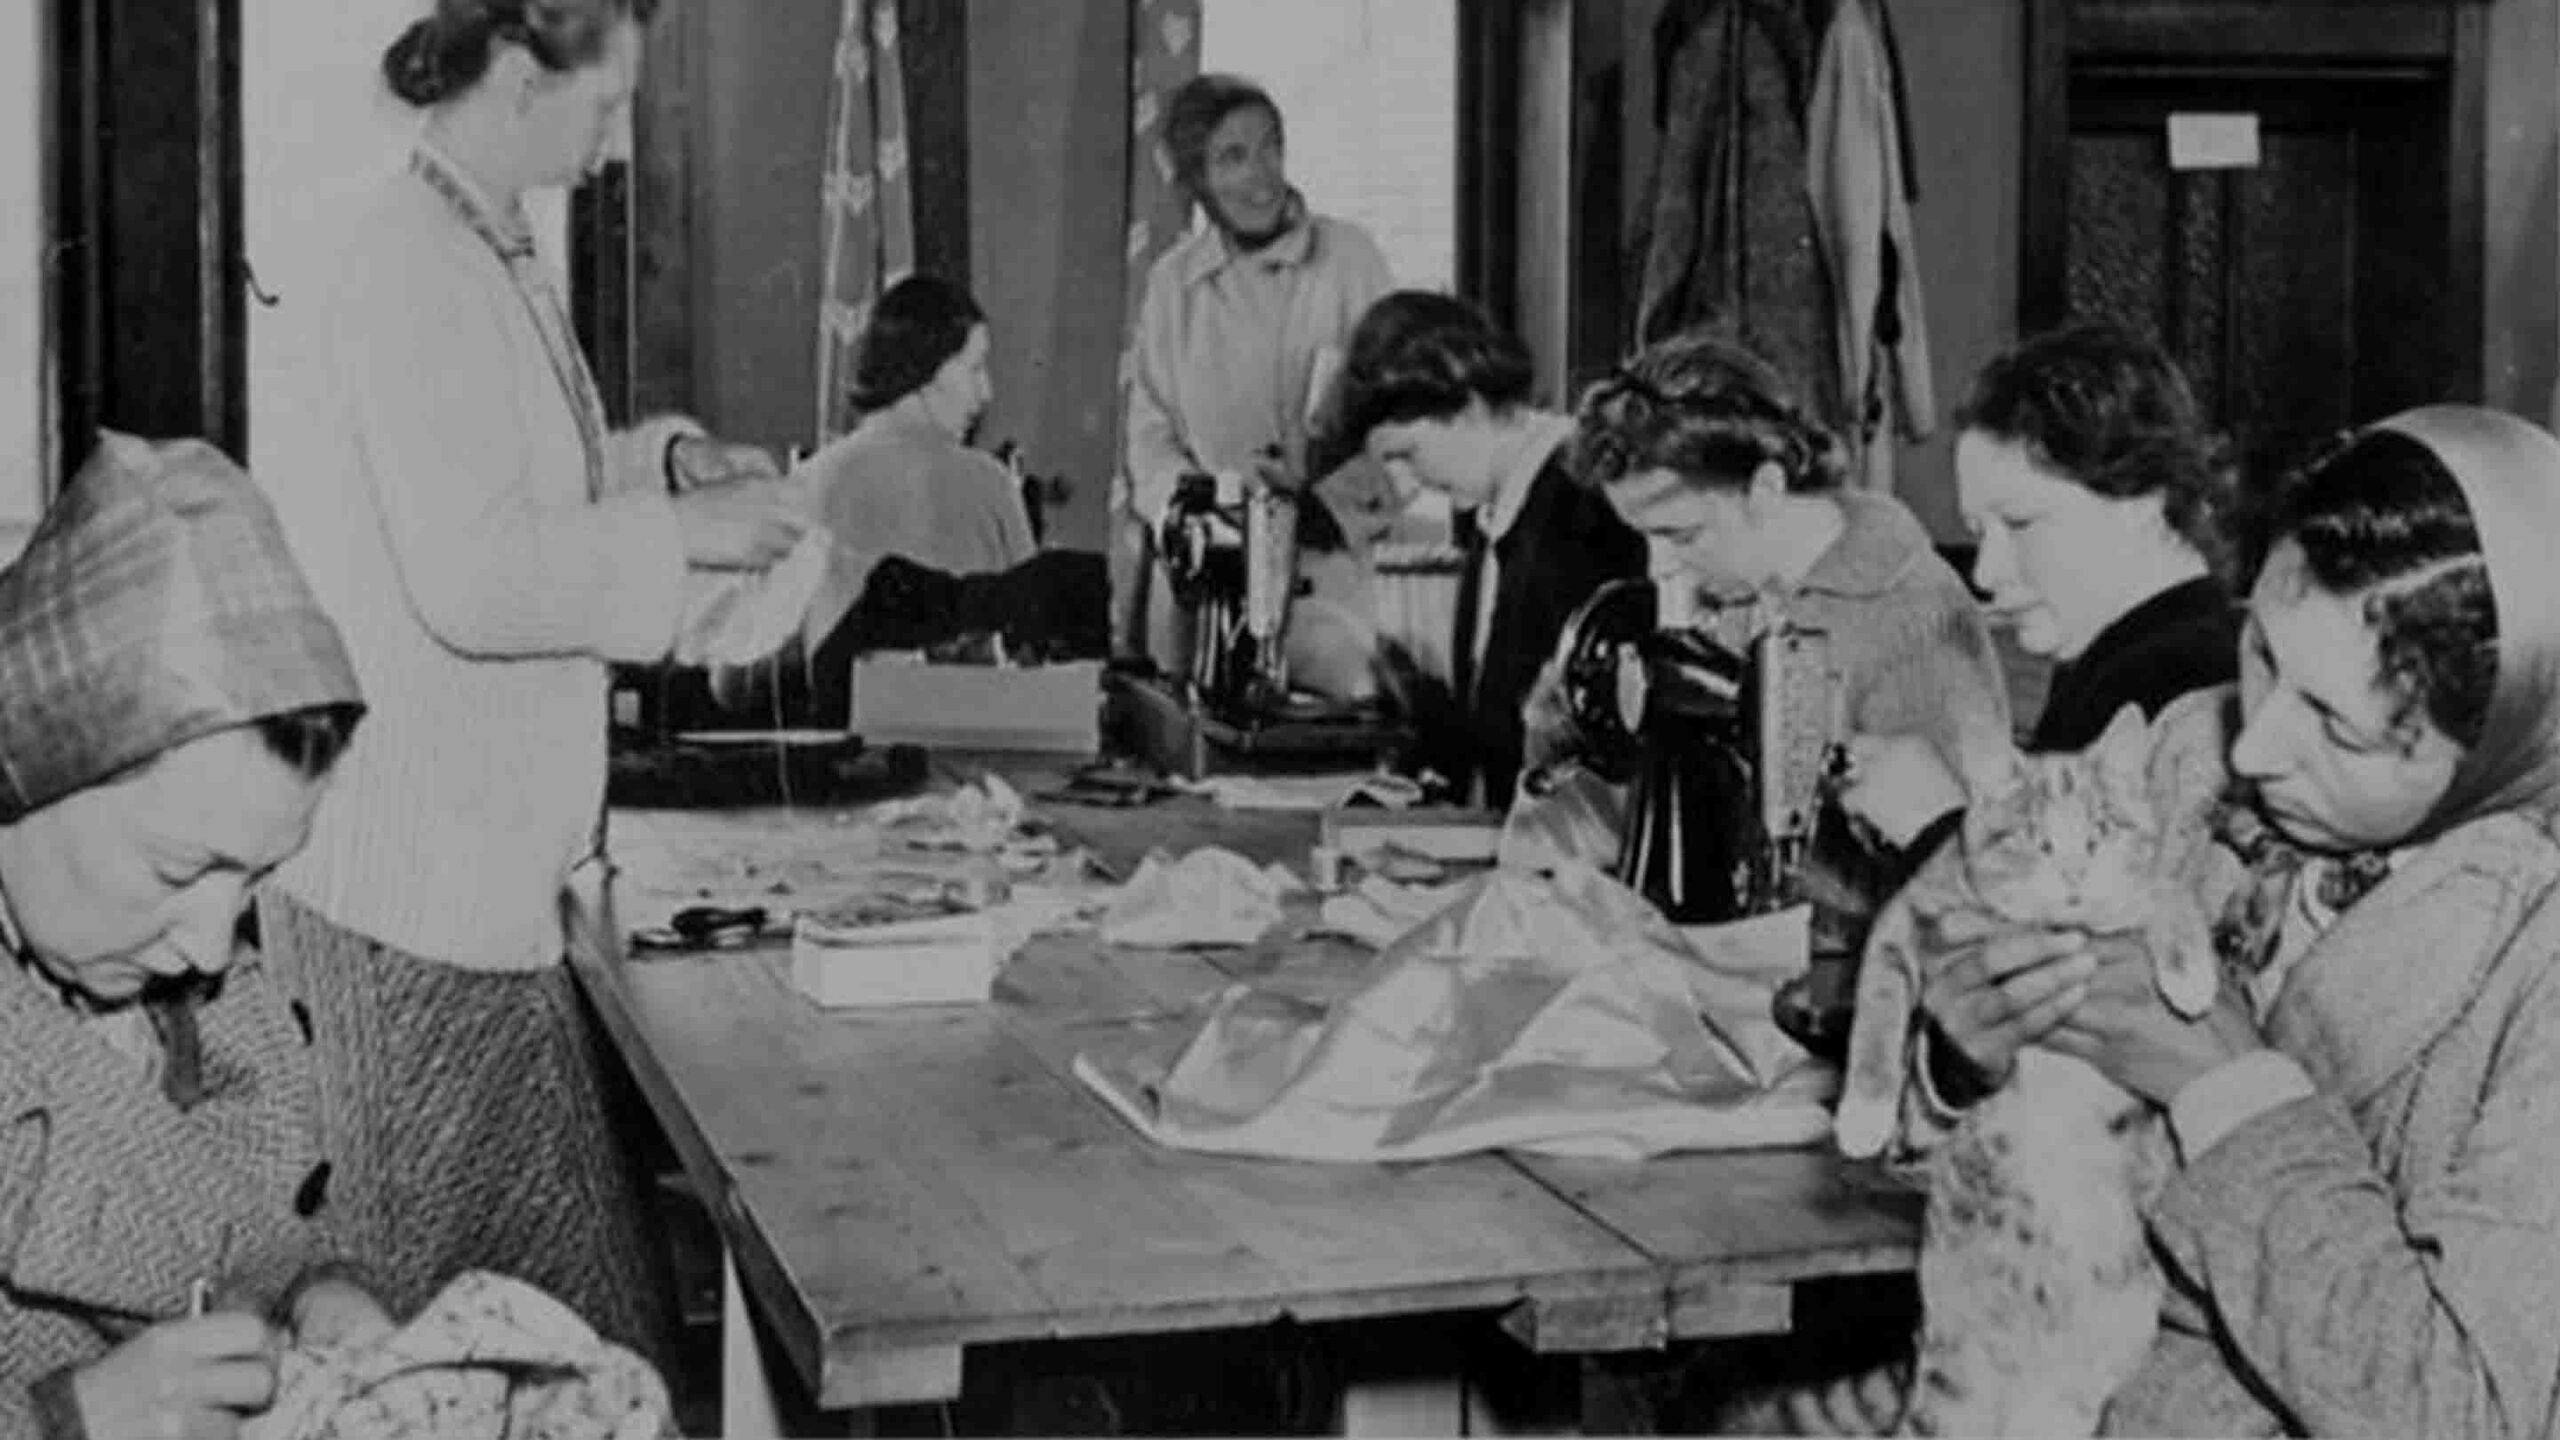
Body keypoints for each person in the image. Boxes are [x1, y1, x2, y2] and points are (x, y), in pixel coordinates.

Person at [250, 0, 809, 1367]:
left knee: (577, 1344)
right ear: (514, 76)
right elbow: (477, 579)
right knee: (441, 1355)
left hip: (482, 896)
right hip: (411, 907)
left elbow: (521, 494)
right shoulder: (410, 264)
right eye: (605, 107)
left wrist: (660, 471)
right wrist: (682, 538)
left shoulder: (477, 244)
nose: (618, 146)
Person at [1911, 407, 2560, 1435]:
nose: (2253, 746)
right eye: (2260, 651)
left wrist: (2221, 1082)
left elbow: (2460, 1408)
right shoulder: (2185, 756)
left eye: (2337, 726)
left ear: (2502, 741)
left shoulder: (2534, 958)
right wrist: (1959, 1062)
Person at [0, 434, 388, 1439]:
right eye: (176, 871)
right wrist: (65, 1421)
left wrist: (314, 1290)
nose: (213, 949)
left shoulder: (182, 982)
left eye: (252, 878)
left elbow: (227, 1217)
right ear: (25, 772)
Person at [1839, 322, 2241, 857]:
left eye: (2021, 524)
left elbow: (2074, 932)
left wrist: (1936, 826)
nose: (1984, 572)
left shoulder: (2175, 677)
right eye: (1980, 534)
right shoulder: (2123, 654)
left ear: (2143, 498)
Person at [1541, 332, 2011, 782]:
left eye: (1682, 536)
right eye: (1645, 538)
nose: (1658, 567)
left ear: (1764, 488)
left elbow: (1958, 853)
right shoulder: (1735, 595)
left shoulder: (1912, 620)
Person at [1118, 71, 1397, 695]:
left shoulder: (1349, 261)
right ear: (1197, 180)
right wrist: (1199, 518)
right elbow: (1150, 437)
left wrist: (1328, 510)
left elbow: (1404, 418)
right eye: (1233, 157)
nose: (1261, 174)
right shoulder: (1174, 285)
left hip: (1326, 587)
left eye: (1271, 146)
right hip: (1204, 596)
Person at [1328, 289, 1645, 809]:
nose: (1407, 485)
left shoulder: (1580, 508)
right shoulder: (1500, 514)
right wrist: (1416, 694)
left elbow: (1578, 746)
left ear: (1471, 403)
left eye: (1406, 455)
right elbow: (1502, 726)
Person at [797, 272, 1036, 641]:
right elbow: (1037, 638)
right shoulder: (989, 483)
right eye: (974, 368)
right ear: (926, 367)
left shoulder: (806, 483)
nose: (985, 392)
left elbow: (733, 682)